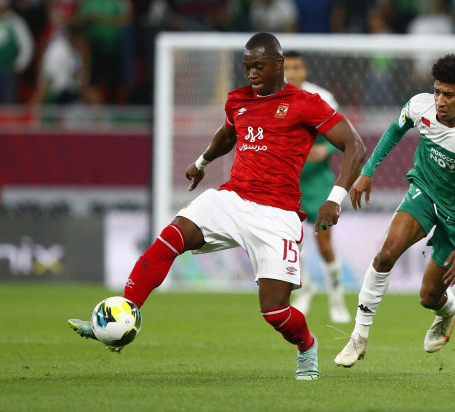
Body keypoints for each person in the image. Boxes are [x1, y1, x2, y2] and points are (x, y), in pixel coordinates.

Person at [68, 32, 366, 381]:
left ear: (278, 64)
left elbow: (355, 145)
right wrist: (201, 162)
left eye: (258, 66)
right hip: (231, 198)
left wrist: (335, 197)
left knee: (274, 311)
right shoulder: (239, 101)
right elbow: (227, 135)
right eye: (246, 66)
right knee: (170, 238)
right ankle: (119, 315)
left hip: (276, 214)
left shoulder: (305, 103)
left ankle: (307, 347)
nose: (251, 73)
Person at [334, 54, 455, 367]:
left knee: (429, 297)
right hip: (425, 192)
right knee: (385, 255)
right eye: (437, 91)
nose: (440, 100)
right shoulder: (420, 106)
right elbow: (394, 130)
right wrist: (369, 170)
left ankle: (449, 309)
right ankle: (358, 337)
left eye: (449, 94)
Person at [283, 50, 351, 324]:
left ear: (304, 70)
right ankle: (305, 287)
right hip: (288, 181)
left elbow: (343, 135)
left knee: (324, 244)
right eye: (287, 67)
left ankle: (336, 298)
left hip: (318, 182)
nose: (292, 72)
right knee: (289, 244)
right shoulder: (273, 99)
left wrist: (326, 149)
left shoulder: (322, 97)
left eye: (296, 67)